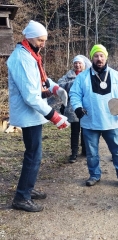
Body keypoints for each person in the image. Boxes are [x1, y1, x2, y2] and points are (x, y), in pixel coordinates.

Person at [7, 20, 70, 212]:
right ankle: (21, 197)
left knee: (35, 154)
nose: (43, 43)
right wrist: (55, 116)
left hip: (32, 113)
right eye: (41, 40)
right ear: (30, 38)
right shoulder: (21, 59)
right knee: (33, 154)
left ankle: (28, 188)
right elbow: (30, 96)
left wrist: (54, 87)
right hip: (28, 113)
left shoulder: (31, 55)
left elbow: (40, 79)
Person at [69, 44, 118, 188]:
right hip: (90, 121)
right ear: (92, 58)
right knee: (92, 153)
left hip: (111, 121)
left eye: (102, 55)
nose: (99, 59)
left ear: (106, 57)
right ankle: (94, 175)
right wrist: (77, 107)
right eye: (96, 56)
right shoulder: (83, 77)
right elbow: (74, 94)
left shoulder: (116, 76)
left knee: (117, 151)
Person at [58, 55, 92, 163]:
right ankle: (74, 152)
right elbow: (59, 86)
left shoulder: (88, 75)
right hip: (73, 108)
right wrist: (74, 83)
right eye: (75, 63)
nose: (77, 65)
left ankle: (85, 150)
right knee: (75, 130)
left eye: (79, 63)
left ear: (83, 65)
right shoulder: (68, 76)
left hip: (86, 107)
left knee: (85, 129)